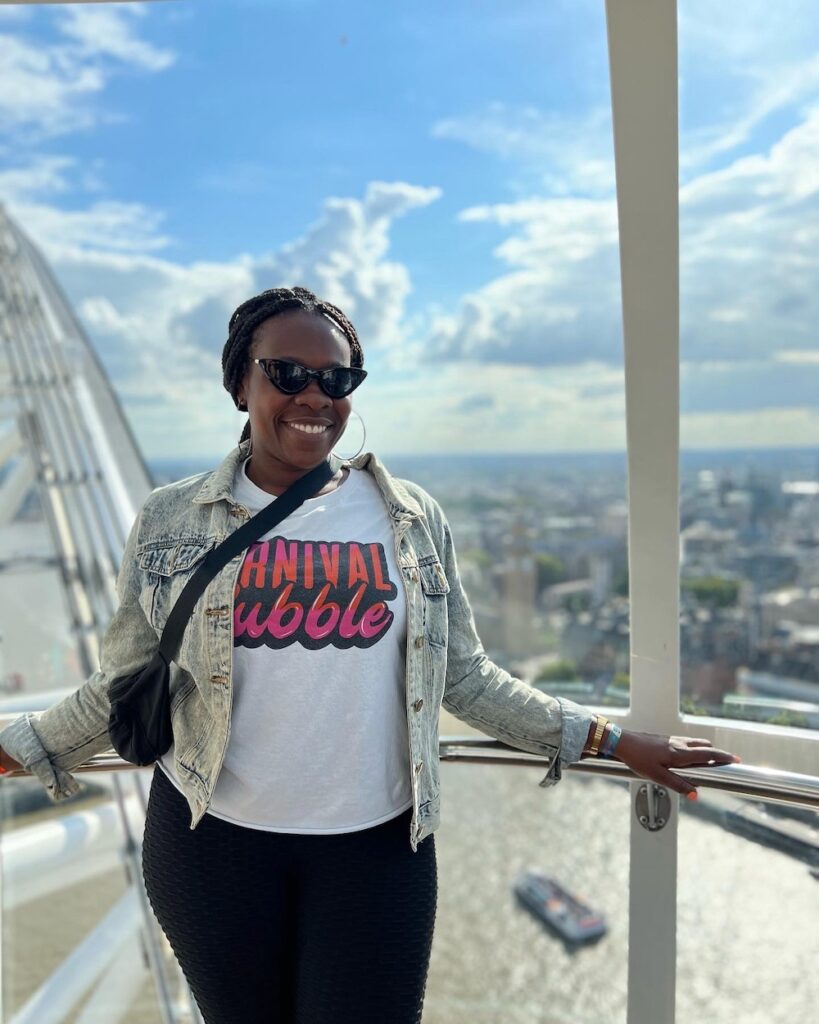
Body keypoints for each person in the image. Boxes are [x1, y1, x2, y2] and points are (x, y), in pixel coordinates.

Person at [0, 285, 741, 1023]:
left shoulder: (409, 517)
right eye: (287, 374)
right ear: (239, 383)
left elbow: (464, 676)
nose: (314, 396)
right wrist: (23, 745)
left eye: (338, 378)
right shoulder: (169, 518)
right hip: (209, 846)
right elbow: (125, 681)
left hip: (376, 850)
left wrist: (606, 741)